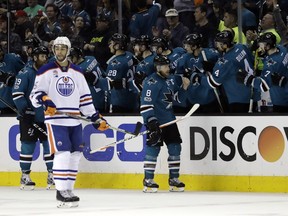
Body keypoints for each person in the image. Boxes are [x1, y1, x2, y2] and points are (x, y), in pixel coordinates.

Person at [29, 36, 109, 208]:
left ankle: (69, 190)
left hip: (74, 121)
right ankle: (60, 191)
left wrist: (95, 117)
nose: (59, 51)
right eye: (57, 48)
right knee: (63, 154)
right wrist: (45, 100)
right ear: (53, 50)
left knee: (75, 155)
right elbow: (34, 95)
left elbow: (85, 99)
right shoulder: (46, 70)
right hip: (56, 120)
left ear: (68, 50)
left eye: (63, 48)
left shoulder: (78, 72)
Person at [140, 55, 190, 193]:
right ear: (158, 67)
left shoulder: (170, 80)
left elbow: (178, 99)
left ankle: (174, 179)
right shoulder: (151, 82)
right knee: (153, 149)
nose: (169, 69)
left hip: (170, 120)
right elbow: (146, 105)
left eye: (169, 66)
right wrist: (151, 122)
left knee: (175, 148)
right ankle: (148, 179)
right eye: (166, 66)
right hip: (155, 122)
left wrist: (184, 87)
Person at [11, 46, 55, 190]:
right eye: (42, 56)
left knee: (49, 146)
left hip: (46, 117)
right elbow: (17, 94)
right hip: (29, 117)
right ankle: (25, 176)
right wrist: (25, 110)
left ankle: (52, 174)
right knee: (28, 146)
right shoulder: (25, 73)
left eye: (46, 56)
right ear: (35, 57)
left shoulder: (48, 73)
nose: (45, 59)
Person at [189, 30, 257, 113]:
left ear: (224, 44)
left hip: (238, 98)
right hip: (252, 92)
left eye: (218, 43)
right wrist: (214, 66)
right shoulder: (241, 47)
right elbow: (251, 61)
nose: (216, 46)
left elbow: (213, 83)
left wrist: (197, 78)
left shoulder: (226, 61)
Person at [237, 32, 288, 113]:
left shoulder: (271, 65)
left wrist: (248, 79)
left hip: (281, 99)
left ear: (268, 46)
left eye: (261, 45)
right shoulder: (282, 49)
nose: (259, 47)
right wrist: (265, 57)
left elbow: (264, 86)